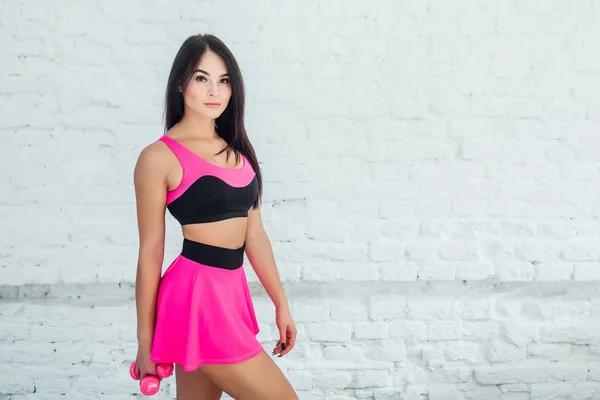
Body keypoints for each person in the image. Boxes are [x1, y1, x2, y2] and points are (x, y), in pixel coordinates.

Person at [132, 33, 298, 399]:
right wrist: (145, 341)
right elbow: (150, 253)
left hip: (230, 294)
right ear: (180, 83)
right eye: (201, 78)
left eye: (223, 81)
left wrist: (281, 303)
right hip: (195, 298)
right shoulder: (158, 158)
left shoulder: (238, 150)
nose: (215, 91)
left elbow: (255, 235)